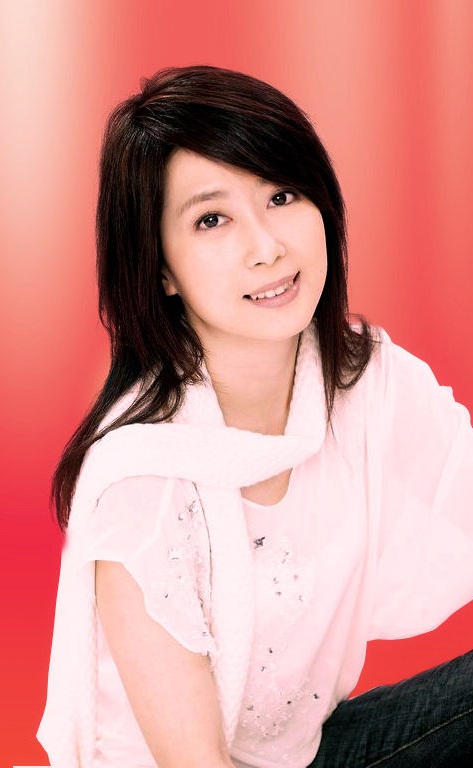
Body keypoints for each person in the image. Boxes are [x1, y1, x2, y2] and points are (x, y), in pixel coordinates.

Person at [36, 65, 473, 767]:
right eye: (212, 219)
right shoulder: (143, 482)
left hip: (306, 754)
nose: (267, 246)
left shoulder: (365, 379)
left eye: (281, 195)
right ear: (160, 268)